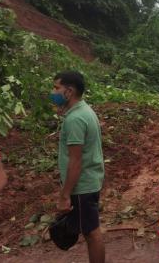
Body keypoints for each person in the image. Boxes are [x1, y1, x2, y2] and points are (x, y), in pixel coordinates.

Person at [50, 71, 105, 263]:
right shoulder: (83, 111)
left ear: (69, 91)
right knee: (90, 230)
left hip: (82, 186)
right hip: (89, 181)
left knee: (91, 233)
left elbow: (75, 161)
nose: (53, 91)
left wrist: (65, 194)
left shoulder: (75, 119)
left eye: (57, 87)